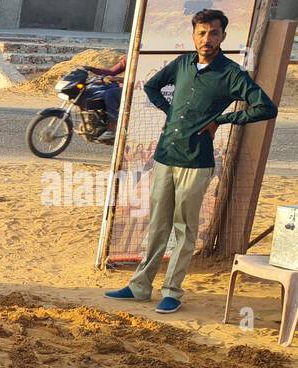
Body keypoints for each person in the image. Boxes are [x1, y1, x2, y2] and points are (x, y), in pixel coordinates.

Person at [104, 9, 276, 314]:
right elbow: (152, 86)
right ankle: (140, 286)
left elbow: (265, 107)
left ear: (223, 36)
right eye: (201, 32)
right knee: (157, 225)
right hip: (165, 156)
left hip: (196, 161)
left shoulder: (232, 74)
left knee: (184, 228)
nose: (206, 39)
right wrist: (169, 112)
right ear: (193, 34)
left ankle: (172, 291)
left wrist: (222, 120)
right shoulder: (183, 63)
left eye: (213, 33)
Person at [83, 55, 126, 142]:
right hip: (119, 86)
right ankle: (99, 119)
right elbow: (111, 72)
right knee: (97, 88)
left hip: (131, 89)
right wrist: (91, 69)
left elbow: (136, 79)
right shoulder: (128, 59)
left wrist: (116, 79)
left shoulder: (141, 60)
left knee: (110, 94)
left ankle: (113, 127)